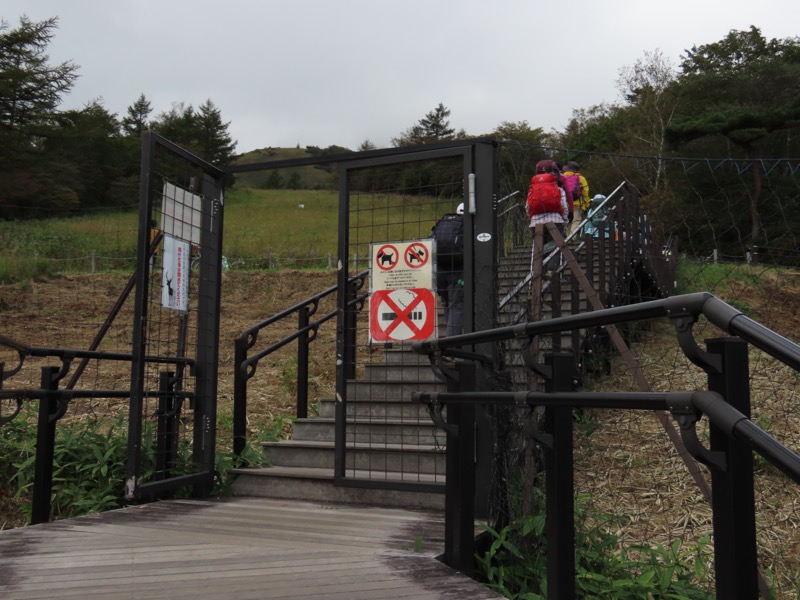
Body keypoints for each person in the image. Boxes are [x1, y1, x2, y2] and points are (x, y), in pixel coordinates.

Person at [432, 203, 464, 336]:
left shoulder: (443, 223)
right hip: (458, 271)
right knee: (457, 305)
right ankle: (453, 342)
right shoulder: (467, 225)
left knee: (446, 303)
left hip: (439, 271)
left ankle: (448, 337)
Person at [526, 159, 569, 253]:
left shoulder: (532, 189)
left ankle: (540, 266)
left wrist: (532, 217)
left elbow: (528, 207)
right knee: (556, 247)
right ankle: (552, 267)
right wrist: (565, 220)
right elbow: (564, 207)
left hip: (536, 223)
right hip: (556, 221)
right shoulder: (558, 188)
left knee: (539, 249)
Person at [562, 161, 591, 227]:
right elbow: (585, 192)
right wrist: (587, 204)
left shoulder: (562, 177)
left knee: (567, 223)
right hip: (576, 204)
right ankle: (572, 237)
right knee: (575, 222)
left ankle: (568, 237)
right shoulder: (581, 178)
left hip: (564, 203)